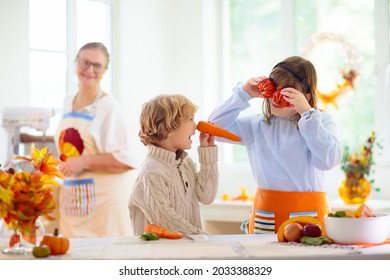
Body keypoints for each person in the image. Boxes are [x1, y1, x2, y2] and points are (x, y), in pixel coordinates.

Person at [208, 56, 342, 234]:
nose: (275, 97)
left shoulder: (319, 121)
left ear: (306, 96)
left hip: (309, 217)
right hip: (267, 216)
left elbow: (328, 161)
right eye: (273, 89)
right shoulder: (257, 124)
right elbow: (214, 127)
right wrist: (243, 94)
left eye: (287, 93)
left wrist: (308, 114)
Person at [54, 42, 135, 238]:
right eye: (84, 62)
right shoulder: (67, 102)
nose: (89, 70)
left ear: (105, 70)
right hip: (73, 202)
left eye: (97, 65)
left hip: (104, 207)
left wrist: (82, 162)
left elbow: (126, 160)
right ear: (75, 64)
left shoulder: (109, 106)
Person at [128, 94, 218, 235]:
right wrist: (203, 238)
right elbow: (165, 220)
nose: (196, 126)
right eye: (190, 119)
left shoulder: (185, 163)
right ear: (168, 128)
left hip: (185, 249)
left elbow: (207, 197)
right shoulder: (151, 170)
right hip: (158, 254)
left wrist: (208, 153)